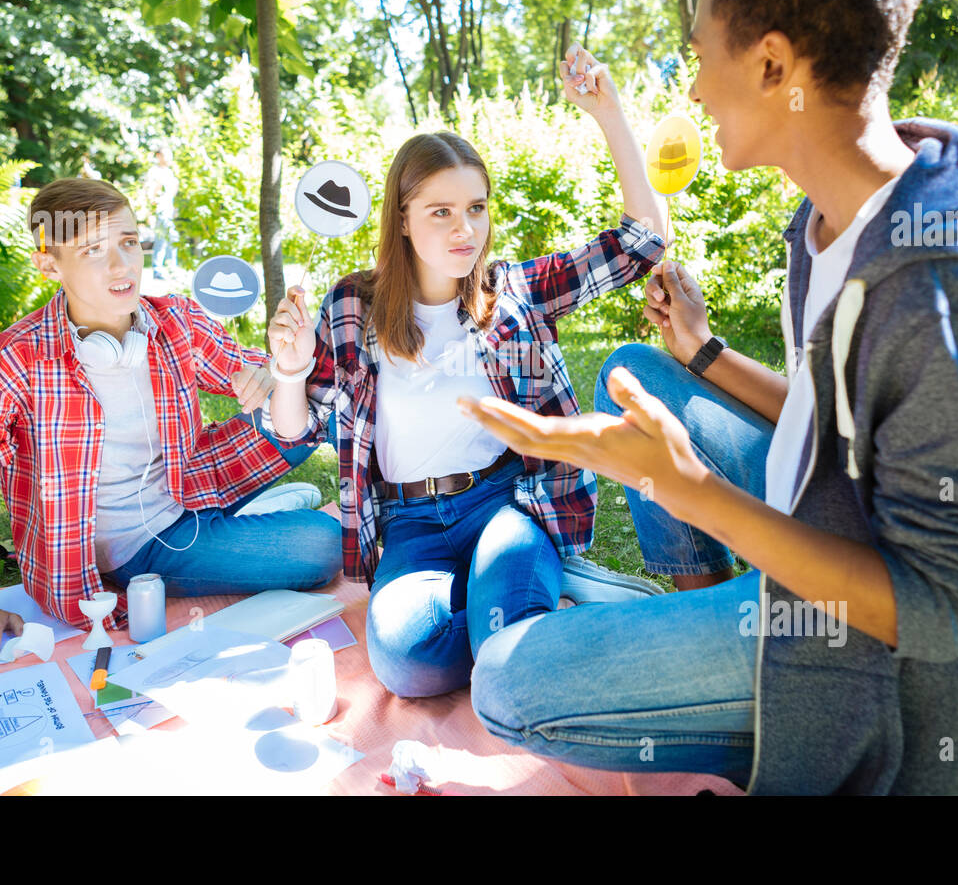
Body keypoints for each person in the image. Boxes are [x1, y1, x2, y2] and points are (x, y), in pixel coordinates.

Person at [460, 0, 958, 795]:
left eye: (699, 53)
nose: (692, 87)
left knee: (505, 682)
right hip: (824, 511)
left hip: (888, 671)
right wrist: (704, 352)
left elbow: (939, 614)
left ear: (770, 65)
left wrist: (693, 494)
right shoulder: (829, 223)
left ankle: (767, 698)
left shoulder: (950, 295)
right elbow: (834, 416)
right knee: (646, 368)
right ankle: (715, 642)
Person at [263, 44, 667, 698]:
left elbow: (640, 243)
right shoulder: (352, 305)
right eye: (441, 212)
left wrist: (610, 116)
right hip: (410, 523)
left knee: (502, 636)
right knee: (407, 664)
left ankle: (519, 605)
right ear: (402, 219)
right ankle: (523, 616)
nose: (464, 230)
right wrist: (288, 369)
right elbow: (293, 429)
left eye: (475, 208)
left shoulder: (514, 290)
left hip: (504, 503)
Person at [0, 178, 342, 667]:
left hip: (189, 481)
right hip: (141, 545)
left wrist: (270, 373)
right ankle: (243, 524)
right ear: (48, 263)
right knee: (327, 544)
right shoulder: (14, 360)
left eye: (128, 242)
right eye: (94, 250)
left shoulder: (174, 322)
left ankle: (417, 511)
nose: (122, 265)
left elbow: (251, 369)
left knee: (310, 395)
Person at [144, 145, 179, 279]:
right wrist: (151, 210)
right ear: (158, 156)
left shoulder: (170, 172)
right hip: (160, 210)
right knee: (168, 238)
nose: (169, 158)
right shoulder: (154, 171)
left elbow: (172, 193)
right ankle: (163, 269)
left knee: (167, 239)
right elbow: (150, 191)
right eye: (166, 155)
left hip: (169, 210)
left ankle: (165, 269)